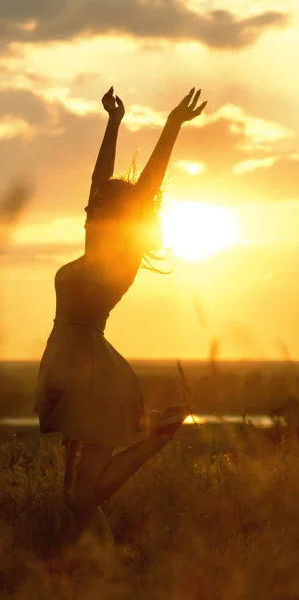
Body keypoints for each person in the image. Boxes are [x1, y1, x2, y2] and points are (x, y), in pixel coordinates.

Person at [35, 86, 207, 548]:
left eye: (102, 204)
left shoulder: (121, 257)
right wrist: (113, 121)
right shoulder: (93, 246)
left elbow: (148, 185)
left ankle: (161, 433)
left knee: (79, 498)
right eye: (95, 204)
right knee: (73, 497)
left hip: (93, 374)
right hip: (71, 364)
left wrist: (171, 125)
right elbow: (97, 181)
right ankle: (98, 566)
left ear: (120, 215)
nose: (93, 206)